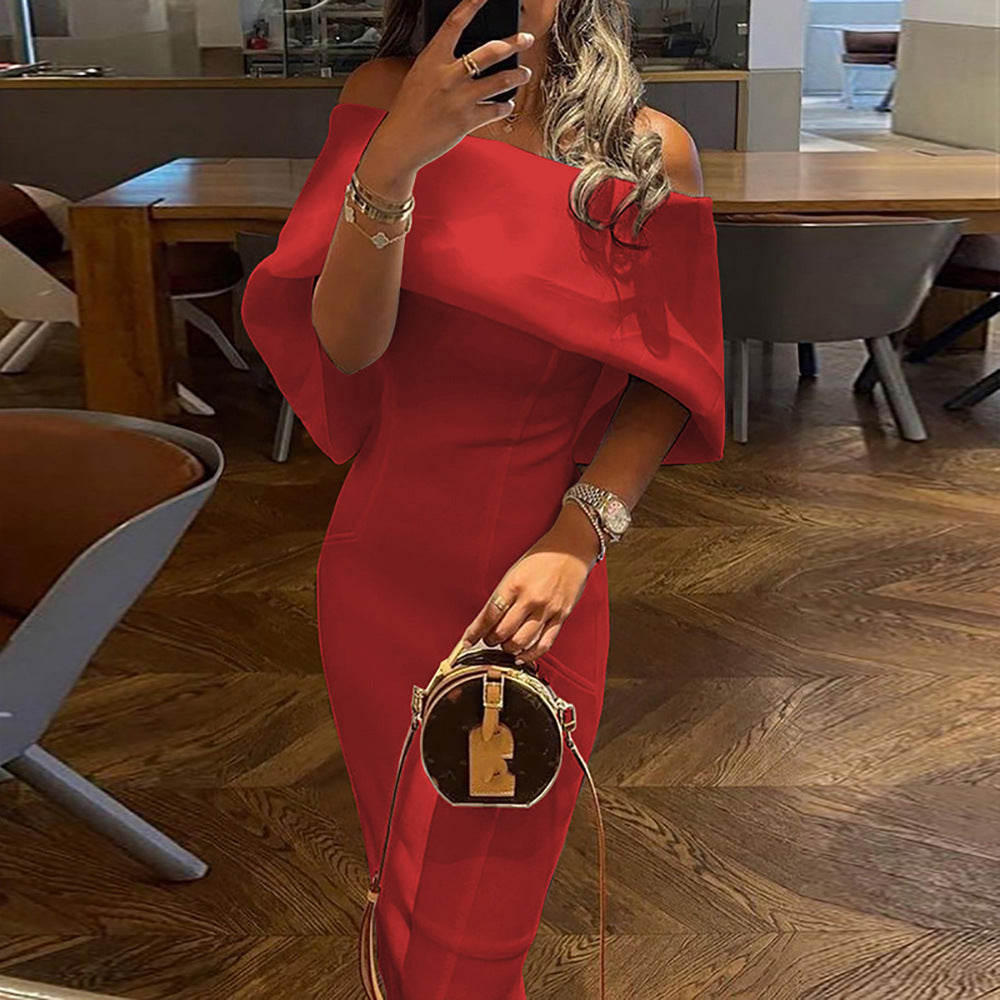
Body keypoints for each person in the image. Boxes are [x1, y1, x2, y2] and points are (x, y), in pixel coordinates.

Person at [240, 0, 725, 994]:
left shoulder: (648, 148)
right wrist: (395, 160)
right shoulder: (387, 97)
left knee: (488, 891)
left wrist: (581, 534)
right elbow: (348, 347)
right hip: (383, 561)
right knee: (404, 871)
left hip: (544, 574)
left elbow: (670, 376)